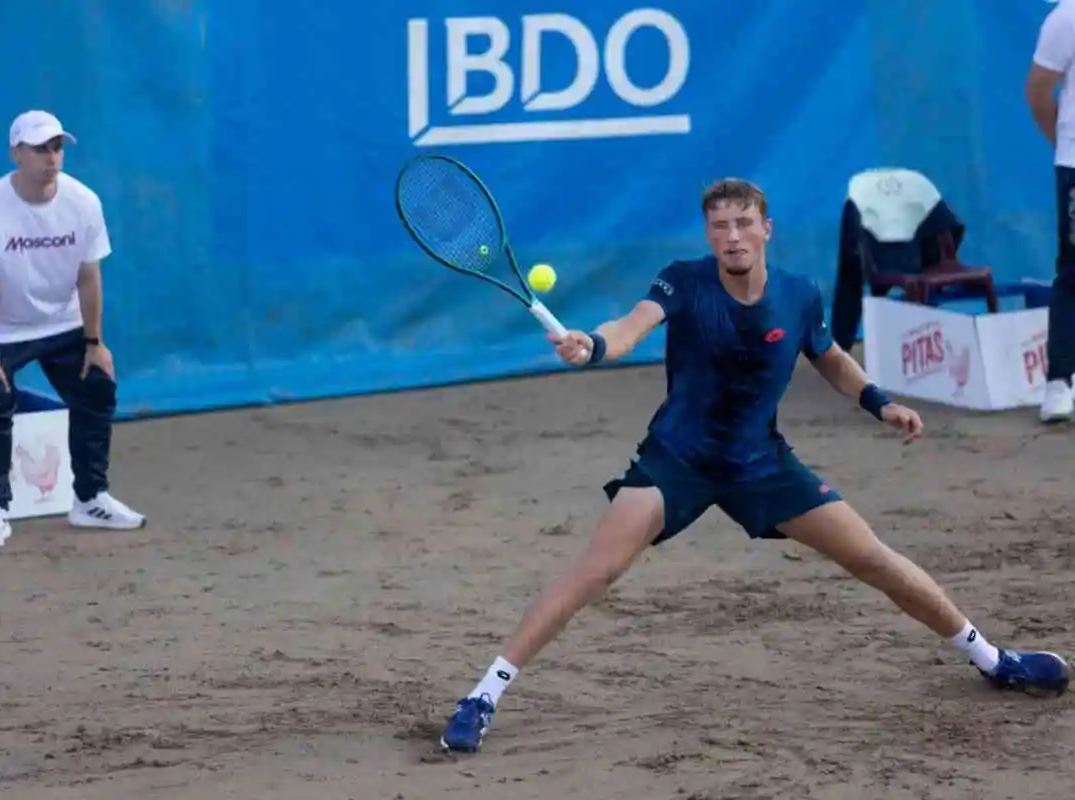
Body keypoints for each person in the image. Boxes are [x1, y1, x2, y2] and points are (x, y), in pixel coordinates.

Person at [439, 179, 1072, 754]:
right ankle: (483, 695)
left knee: (873, 557)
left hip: (760, 462)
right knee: (593, 572)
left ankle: (992, 659)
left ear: (766, 228)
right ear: (708, 234)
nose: (732, 236)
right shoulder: (682, 281)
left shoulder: (798, 295)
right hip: (678, 459)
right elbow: (631, 327)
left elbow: (827, 357)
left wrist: (880, 403)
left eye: (743, 223)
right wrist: (596, 344)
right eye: (719, 226)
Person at [0, 109, 146, 550]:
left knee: (97, 386)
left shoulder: (83, 204)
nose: (51, 157)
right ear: (15, 153)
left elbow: (89, 277)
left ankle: (90, 498)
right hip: (1, 328)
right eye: (40, 148)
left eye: (57, 147)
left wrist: (94, 343)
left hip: (63, 321)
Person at [1027, 0, 1075, 422]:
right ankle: (1060, 382)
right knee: (1074, 273)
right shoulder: (1066, 17)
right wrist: (1063, 142)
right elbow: (1039, 89)